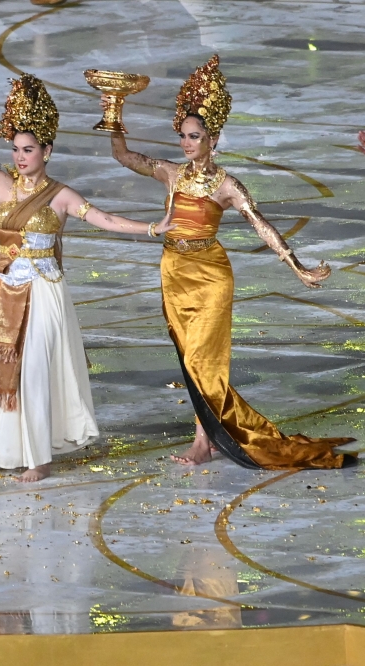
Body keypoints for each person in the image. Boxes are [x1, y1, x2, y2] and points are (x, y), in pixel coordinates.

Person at [109, 55, 355, 469]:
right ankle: (205, 438)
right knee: (188, 359)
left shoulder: (226, 185)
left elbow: (261, 224)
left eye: (194, 136)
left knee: (201, 360)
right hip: (173, 270)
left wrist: (296, 265)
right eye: (183, 136)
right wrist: (113, 111)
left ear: (212, 139)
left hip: (210, 275)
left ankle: (203, 441)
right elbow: (122, 156)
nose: (186, 143)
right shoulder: (171, 173)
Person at [0, 74, 175, 482]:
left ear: (46, 150)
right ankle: (17, 446)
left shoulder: (61, 195)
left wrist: (152, 228)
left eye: (28, 149)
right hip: (4, 291)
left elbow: (105, 220)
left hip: (44, 294)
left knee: (33, 371)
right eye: (15, 149)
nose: (19, 156)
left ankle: (40, 457)